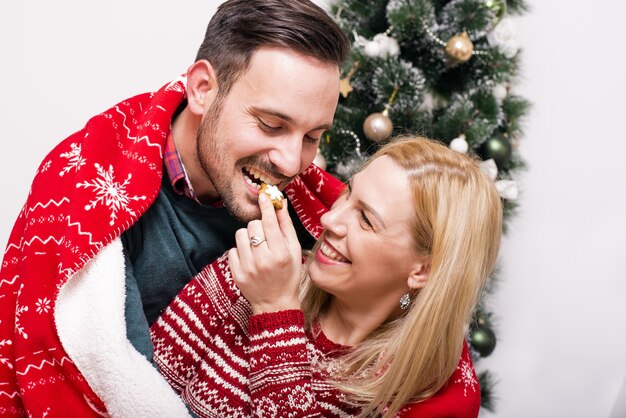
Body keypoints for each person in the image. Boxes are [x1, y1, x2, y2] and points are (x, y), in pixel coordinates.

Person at [0, 1, 349, 416]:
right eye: (272, 125)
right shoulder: (85, 192)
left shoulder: (318, 210)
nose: (292, 163)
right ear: (202, 89)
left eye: (313, 136)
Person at [151, 136, 503, 417]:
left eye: (366, 219)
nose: (330, 221)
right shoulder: (253, 271)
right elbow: (142, 387)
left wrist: (275, 312)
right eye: (348, 194)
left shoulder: (406, 394)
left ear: (422, 271)